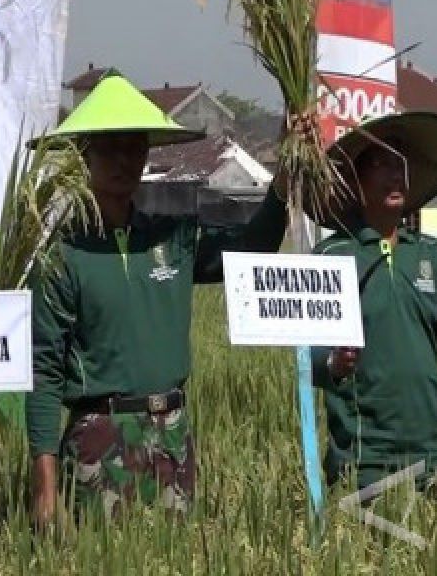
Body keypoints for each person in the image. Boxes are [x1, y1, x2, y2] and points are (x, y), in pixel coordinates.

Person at [26, 72, 289, 524]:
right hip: (100, 438)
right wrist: (45, 488)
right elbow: (43, 374)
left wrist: (287, 169)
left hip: (172, 435)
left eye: (135, 146)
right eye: (109, 147)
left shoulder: (174, 239)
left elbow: (254, 245)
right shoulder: (63, 258)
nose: (124, 160)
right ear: (83, 156)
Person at [307, 111, 437, 495]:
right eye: (381, 165)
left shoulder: (429, 255)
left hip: (434, 455)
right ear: (355, 181)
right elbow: (305, 355)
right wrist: (333, 363)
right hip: (365, 460)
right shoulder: (332, 257)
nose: (396, 176)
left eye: (401, 166)